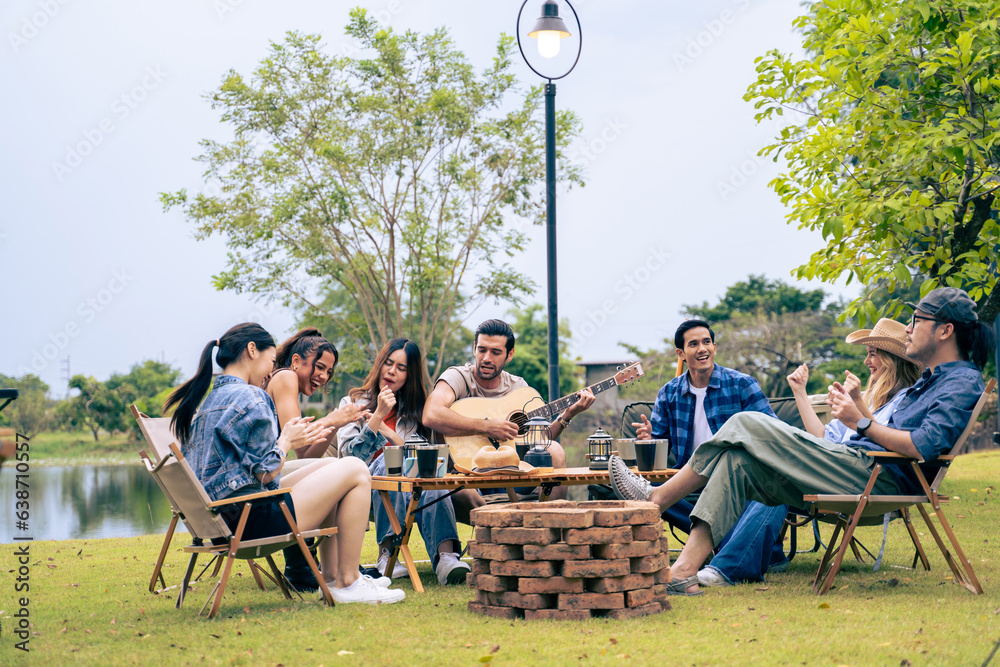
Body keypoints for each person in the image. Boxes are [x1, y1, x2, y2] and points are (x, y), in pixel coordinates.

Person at [609, 287, 992, 595]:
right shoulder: (929, 379)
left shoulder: (960, 381)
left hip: (878, 475)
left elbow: (922, 444)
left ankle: (657, 497)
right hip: (858, 465)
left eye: (916, 320)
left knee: (747, 422)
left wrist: (861, 422)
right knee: (737, 462)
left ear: (945, 330)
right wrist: (861, 418)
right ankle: (683, 570)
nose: (909, 329)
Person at [165, 323, 405, 605]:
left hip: (223, 521)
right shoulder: (251, 396)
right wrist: (286, 441)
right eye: (270, 361)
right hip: (250, 522)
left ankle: (331, 578)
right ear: (251, 350)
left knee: (332, 469)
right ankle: (349, 581)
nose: (270, 371)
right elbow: (267, 473)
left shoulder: (208, 400)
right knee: (355, 468)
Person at [632, 319, 788, 587]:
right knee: (644, 491)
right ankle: (738, 545)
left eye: (706, 342)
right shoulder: (669, 393)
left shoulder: (741, 385)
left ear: (714, 347)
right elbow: (660, 442)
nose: (702, 348)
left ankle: (725, 560)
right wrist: (650, 437)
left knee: (772, 494)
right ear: (681, 353)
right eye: (693, 344)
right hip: (690, 484)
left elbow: (771, 432)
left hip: (739, 481)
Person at [338, 338, 472, 585]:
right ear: (379, 365)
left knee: (428, 468)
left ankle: (446, 558)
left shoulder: (414, 412)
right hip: (364, 488)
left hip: (411, 488)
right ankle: (387, 555)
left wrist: (395, 438)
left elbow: (422, 453)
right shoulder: (352, 403)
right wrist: (378, 416)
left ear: (409, 376)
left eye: (401, 368)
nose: (392, 371)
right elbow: (350, 459)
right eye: (388, 364)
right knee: (389, 461)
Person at [422, 319, 596, 506]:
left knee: (554, 449)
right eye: (482, 350)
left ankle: (551, 522)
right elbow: (431, 414)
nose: (487, 358)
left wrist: (567, 415)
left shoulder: (518, 388)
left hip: (512, 477)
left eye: (496, 352)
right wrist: (487, 427)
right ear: (474, 348)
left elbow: (536, 441)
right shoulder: (457, 377)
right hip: (465, 475)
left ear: (509, 354)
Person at [263, 328, 378, 591]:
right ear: (295, 361)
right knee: (344, 472)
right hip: (263, 482)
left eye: (329, 371)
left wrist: (336, 425)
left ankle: (327, 570)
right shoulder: (285, 378)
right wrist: (333, 420)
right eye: (320, 367)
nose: (324, 377)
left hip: (268, 475)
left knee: (333, 469)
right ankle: (325, 569)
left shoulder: (286, 381)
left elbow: (306, 454)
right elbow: (300, 445)